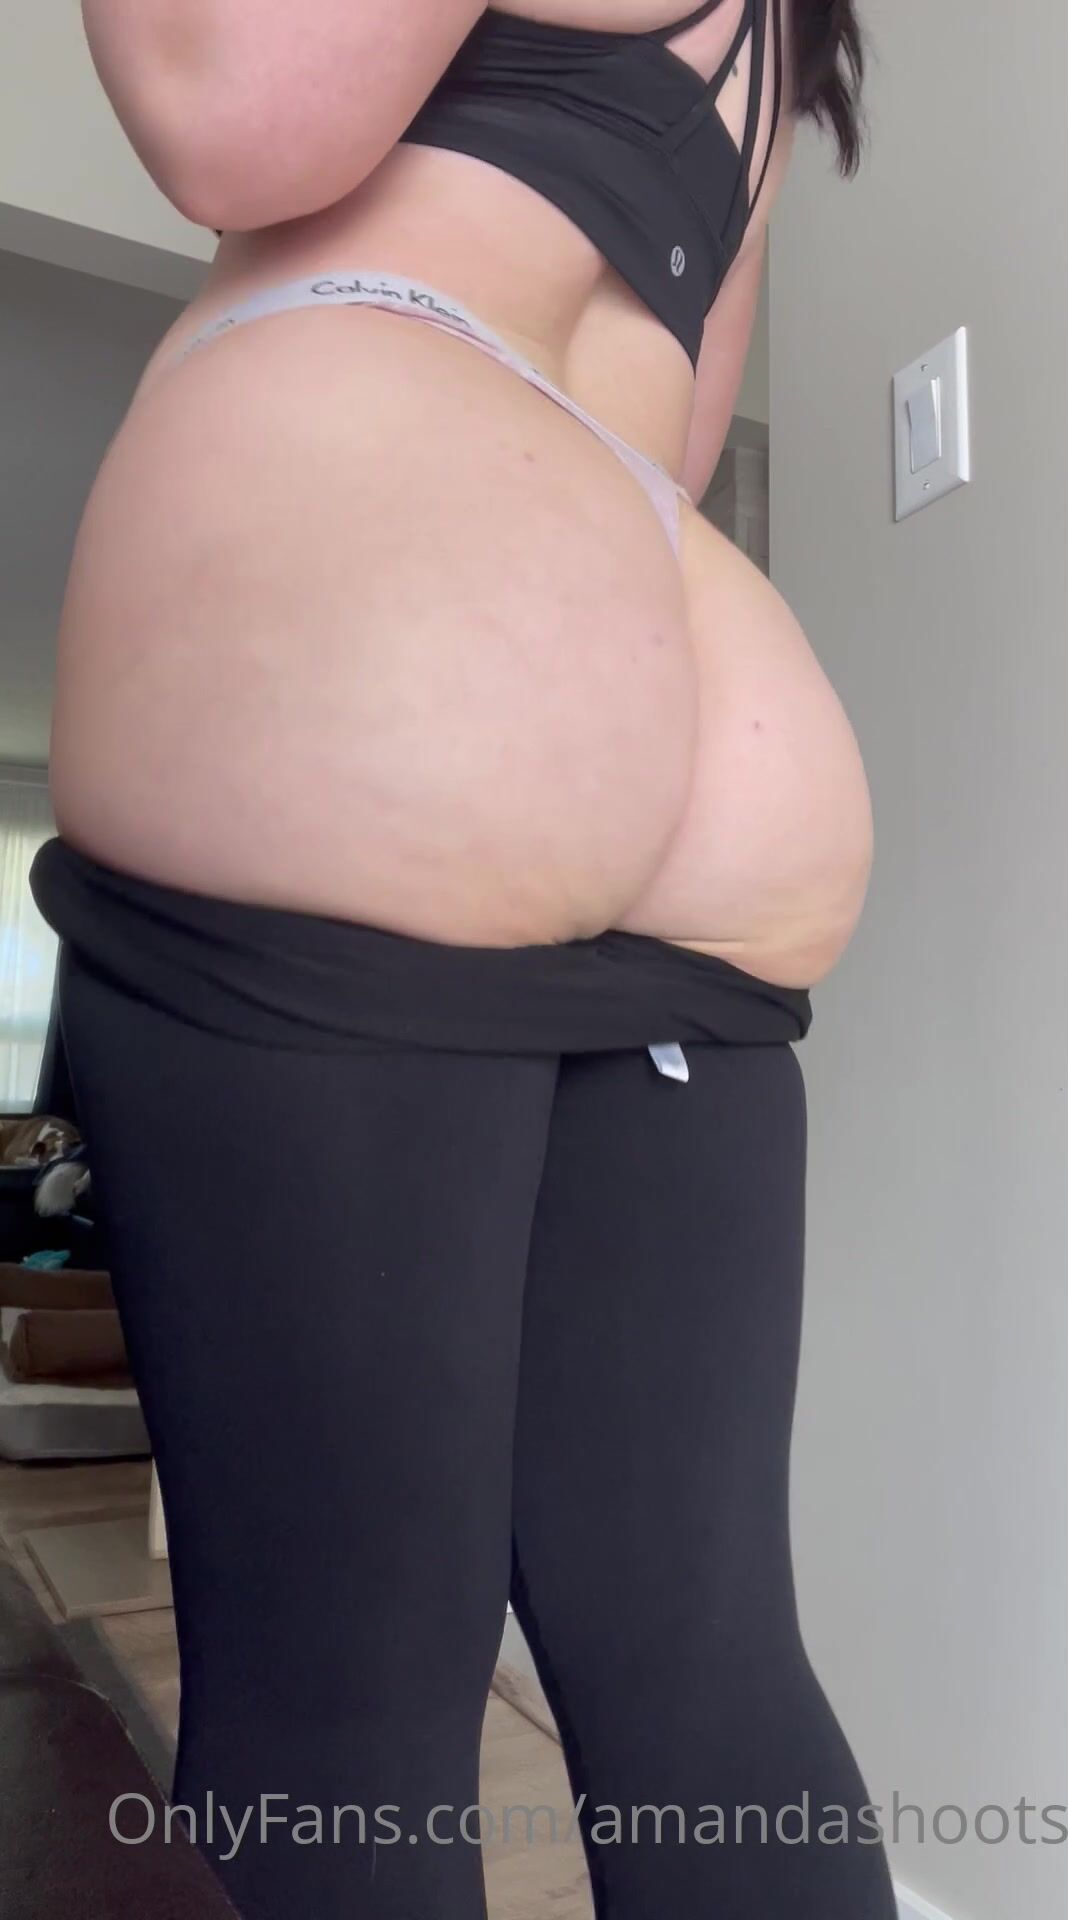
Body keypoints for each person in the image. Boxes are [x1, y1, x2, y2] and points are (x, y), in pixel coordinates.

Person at [30, 3, 893, 1916]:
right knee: (701, 1658)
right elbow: (667, 429)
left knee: (338, 1700)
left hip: (411, 573)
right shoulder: (771, 35)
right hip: (687, 670)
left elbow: (234, 118)